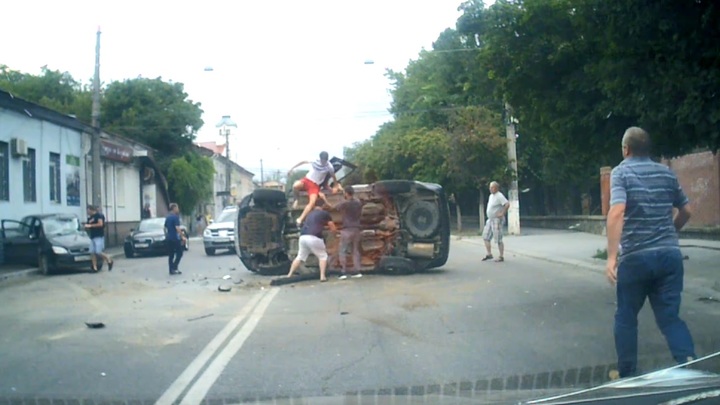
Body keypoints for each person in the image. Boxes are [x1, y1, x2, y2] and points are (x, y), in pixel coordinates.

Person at [606, 126, 695, 378]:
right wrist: (670, 233)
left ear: (626, 149)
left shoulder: (621, 172)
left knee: (626, 317)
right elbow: (687, 211)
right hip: (669, 257)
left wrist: (612, 258)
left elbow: (616, 212)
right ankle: (689, 366)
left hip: (636, 258)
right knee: (669, 317)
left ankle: (628, 376)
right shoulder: (666, 173)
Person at [286, 201, 337, 282]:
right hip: (314, 237)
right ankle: (322, 276)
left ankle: (289, 274)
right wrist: (335, 235)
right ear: (323, 206)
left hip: (303, 237)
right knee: (323, 256)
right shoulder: (325, 213)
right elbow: (332, 227)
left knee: (300, 256)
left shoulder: (309, 214)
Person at [288, 151, 343, 226]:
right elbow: (303, 162)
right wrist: (292, 169)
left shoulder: (329, 166)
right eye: (323, 160)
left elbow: (333, 177)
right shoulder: (315, 161)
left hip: (314, 186)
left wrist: (336, 185)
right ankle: (296, 199)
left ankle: (300, 219)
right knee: (295, 186)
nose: (324, 162)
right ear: (320, 159)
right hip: (307, 180)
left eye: (325, 160)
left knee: (312, 202)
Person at [332, 186, 363, 279]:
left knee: (342, 250)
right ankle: (357, 270)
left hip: (346, 229)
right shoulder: (358, 203)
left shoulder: (344, 203)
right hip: (357, 229)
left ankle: (343, 272)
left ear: (346, 193)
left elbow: (336, 208)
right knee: (355, 250)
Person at [481, 181, 510, 262]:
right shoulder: (491, 196)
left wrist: (502, 213)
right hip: (490, 219)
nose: (490, 189)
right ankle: (489, 254)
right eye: (490, 187)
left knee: (498, 238)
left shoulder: (499, 195)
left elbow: (507, 204)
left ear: (496, 188)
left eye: (492, 187)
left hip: (496, 220)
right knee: (485, 236)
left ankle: (501, 256)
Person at [85, 205, 114, 272]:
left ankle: (108, 259)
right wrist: (86, 227)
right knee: (92, 252)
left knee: (98, 252)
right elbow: (88, 225)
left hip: (99, 236)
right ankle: (94, 268)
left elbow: (100, 224)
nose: (87, 212)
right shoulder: (90, 218)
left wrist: (90, 225)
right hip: (92, 236)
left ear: (91, 209)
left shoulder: (99, 215)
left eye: (88, 210)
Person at [164, 203, 186, 275]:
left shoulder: (168, 217)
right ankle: (174, 267)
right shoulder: (175, 217)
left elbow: (165, 228)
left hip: (169, 238)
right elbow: (177, 228)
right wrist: (182, 236)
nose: (178, 209)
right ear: (174, 209)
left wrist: (166, 235)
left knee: (171, 255)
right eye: (177, 208)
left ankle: (171, 270)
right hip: (174, 238)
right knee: (180, 253)